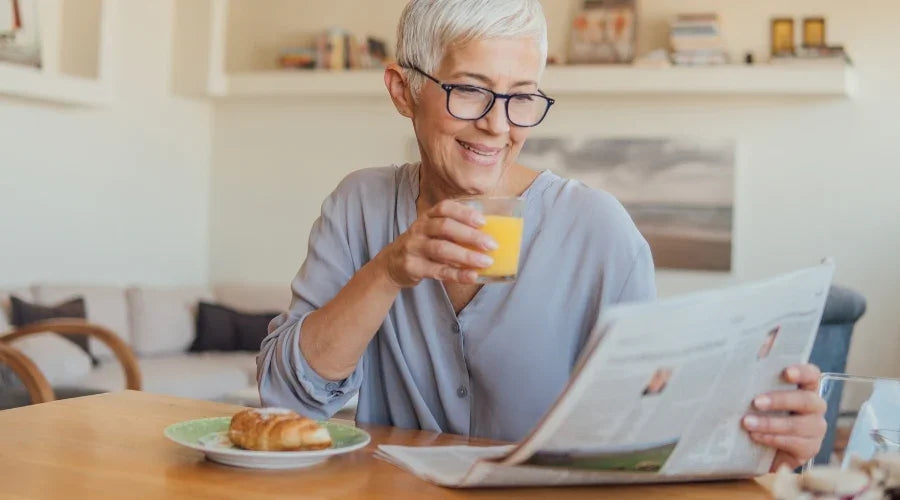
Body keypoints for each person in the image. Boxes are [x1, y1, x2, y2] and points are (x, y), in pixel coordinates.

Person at [257, 0, 826, 471]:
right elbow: (288, 398)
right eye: (470, 90)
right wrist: (388, 272)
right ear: (404, 91)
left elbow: (644, 433)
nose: (499, 125)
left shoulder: (599, 231)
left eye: (522, 96)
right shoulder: (360, 205)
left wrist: (761, 445)